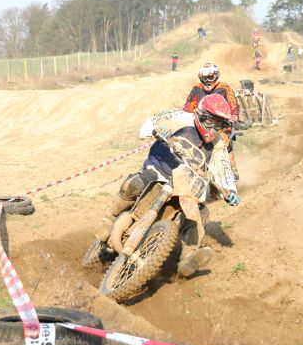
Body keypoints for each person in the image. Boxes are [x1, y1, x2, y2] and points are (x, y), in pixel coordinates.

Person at [96, 94, 240, 277]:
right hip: (159, 170)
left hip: (184, 185)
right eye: (210, 121)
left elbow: (223, 168)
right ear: (200, 114)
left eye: (218, 124)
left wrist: (230, 190)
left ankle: (188, 256)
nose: (213, 128)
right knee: (136, 183)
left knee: (199, 213)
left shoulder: (218, 143)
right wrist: (157, 129)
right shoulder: (181, 118)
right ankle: (109, 219)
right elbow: (152, 122)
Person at [183, 62, 240, 180]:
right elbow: (189, 105)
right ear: (200, 78)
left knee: (225, 144)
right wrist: (185, 114)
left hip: (221, 124)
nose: (207, 81)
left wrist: (234, 115)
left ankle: (233, 169)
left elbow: (233, 103)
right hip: (201, 124)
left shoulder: (224, 88)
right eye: (205, 78)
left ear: (216, 76)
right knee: (190, 144)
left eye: (210, 78)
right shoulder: (197, 88)